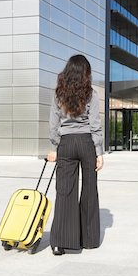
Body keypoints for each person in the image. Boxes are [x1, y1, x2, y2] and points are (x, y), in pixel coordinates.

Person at [47, 54, 104, 255]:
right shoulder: (91, 94)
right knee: (89, 190)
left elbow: (54, 124)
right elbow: (95, 124)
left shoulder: (58, 94)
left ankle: (60, 242)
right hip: (87, 142)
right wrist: (99, 152)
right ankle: (88, 240)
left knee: (64, 191)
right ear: (85, 73)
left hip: (66, 143)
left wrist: (54, 147)